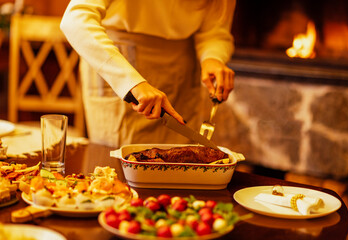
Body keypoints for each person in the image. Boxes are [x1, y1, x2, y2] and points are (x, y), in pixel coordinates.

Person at [60, 0, 236, 147]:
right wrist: (131, 82)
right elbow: (76, 19)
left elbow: (214, 29)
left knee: (179, 168)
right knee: (120, 173)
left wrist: (213, 57)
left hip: (183, 69)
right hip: (120, 61)